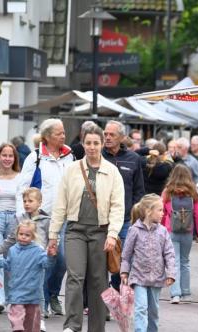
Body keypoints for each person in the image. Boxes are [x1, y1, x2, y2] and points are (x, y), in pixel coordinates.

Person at [48, 124, 125, 332]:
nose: (92, 147)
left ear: (101, 145)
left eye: (96, 143)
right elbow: (60, 205)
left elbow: (118, 207)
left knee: (98, 281)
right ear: (83, 143)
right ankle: (72, 325)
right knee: (75, 277)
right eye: (88, 143)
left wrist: (112, 234)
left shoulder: (112, 172)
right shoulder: (72, 170)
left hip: (101, 232)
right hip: (75, 231)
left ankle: (96, 328)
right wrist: (53, 235)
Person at [16, 118, 74, 317]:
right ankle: (43, 299)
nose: (63, 136)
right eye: (59, 133)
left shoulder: (70, 155)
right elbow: (22, 187)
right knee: (47, 258)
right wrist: (22, 216)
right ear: (48, 136)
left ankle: (53, 294)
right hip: (42, 217)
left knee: (64, 260)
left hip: (65, 216)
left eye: (64, 132)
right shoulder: (36, 157)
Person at [121, 194, 176, 332]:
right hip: (138, 277)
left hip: (157, 278)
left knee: (153, 311)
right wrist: (124, 271)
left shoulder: (163, 231)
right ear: (148, 211)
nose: (163, 213)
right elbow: (126, 254)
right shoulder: (134, 230)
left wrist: (170, 273)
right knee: (141, 308)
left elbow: (169, 254)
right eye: (160, 210)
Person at [0, 187, 50, 331]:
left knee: (38, 290)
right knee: (17, 287)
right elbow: (11, 239)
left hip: (37, 261)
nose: (27, 203)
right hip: (21, 260)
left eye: (30, 201)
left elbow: (52, 237)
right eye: (24, 201)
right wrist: (0, 250)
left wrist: (50, 251)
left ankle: (39, 319)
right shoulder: (19, 218)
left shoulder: (46, 220)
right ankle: (17, 318)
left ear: (39, 203)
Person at [102, 120, 145, 290]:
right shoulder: (98, 156)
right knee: (98, 264)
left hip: (125, 221)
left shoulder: (133, 159)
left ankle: (118, 299)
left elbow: (139, 191)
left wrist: (135, 217)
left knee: (122, 263)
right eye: (105, 134)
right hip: (101, 220)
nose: (107, 137)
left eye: (111, 134)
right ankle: (96, 303)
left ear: (121, 137)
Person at [161, 164, 198, 304]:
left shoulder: (167, 192)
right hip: (187, 231)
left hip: (171, 230)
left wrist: (160, 229)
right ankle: (185, 292)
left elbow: (162, 212)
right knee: (185, 261)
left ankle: (175, 294)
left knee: (174, 262)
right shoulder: (192, 193)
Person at [0, 143, 21, 313]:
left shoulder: (20, 177)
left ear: (14, 158)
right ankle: (0, 298)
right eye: (4, 155)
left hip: (14, 219)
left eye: (10, 156)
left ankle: (10, 297)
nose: (7, 159)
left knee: (11, 259)